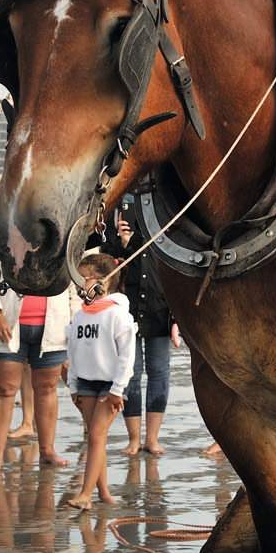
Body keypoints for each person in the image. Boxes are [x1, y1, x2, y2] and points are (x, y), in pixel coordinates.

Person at [0, 251, 74, 471]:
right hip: (6, 326)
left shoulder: (60, 232)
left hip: (53, 324)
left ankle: (47, 451)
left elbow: (74, 281)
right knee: (4, 389)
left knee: (47, 388)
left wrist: (75, 322)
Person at [61, 253, 135, 512]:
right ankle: (103, 492)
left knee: (95, 436)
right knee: (95, 439)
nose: (79, 286)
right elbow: (72, 354)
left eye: (83, 280)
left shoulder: (118, 315)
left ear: (101, 282)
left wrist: (117, 390)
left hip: (110, 386)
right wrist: (72, 387)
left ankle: (85, 494)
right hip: (86, 384)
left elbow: (128, 356)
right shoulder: (81, 315)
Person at [114, 214, 179, 459]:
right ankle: (133, 439)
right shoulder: (117, 233)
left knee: (159, 373)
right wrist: (124, 242)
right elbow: (108, 271)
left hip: (159, 312)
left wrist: (175, 320)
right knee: (131, 373)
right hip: (127, 314)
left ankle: (152, 438)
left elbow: (175, 280)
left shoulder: (165, 235)